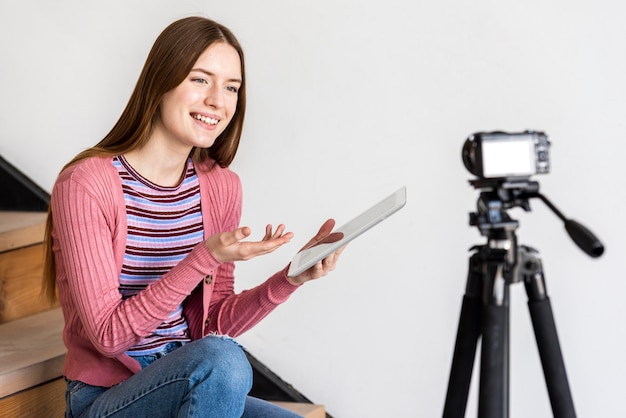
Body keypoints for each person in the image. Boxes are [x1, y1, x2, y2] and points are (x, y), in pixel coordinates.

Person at [42, 16, 344, 418]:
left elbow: (212, 325)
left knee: (222, 359)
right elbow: (109, 337)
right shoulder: (87, 184)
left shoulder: (220, 187)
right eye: (200, 80)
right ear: (161, 82)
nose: (218, 101)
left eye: (231, 87)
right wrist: (205, 257)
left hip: (193, 381)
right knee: (224, 359)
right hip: (106, 400)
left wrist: (289, 278)